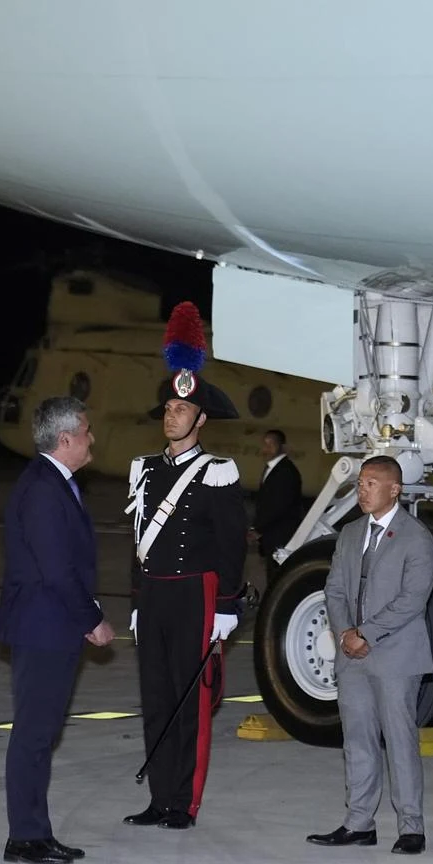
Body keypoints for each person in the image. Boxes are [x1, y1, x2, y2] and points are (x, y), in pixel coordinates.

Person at [123, 303, 246, 831]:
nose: (171, 414)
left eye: (181, 408)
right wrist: (135, 601)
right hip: (154, 595)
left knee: (190, 704)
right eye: (169, 406)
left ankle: (184, 804)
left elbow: (231, 544)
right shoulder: (143, 469)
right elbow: (137, 543)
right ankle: (158, 798)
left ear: (201, 419)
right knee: (155, 700)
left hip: (197, 593)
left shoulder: (218, 471)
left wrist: (226, 607)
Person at [0, 395, 114, 864]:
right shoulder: (45, 489)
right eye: (86, 431)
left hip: (50, 626)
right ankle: (25, 837)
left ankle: (35, 832)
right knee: (33, 735)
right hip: (44, 628)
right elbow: (56, 571)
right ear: (65, 439)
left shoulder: (54, 482)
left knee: (40, 735)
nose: (91, 438)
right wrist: (93, 619)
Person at [308, 456, 433, 855]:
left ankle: (411, 826)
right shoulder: (349, 534)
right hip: (352, 657)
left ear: (394, 489)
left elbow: (412, 601)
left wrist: (365, 632)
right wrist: (346, 632)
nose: (362, 491)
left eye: (370, 484)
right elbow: (334, 590)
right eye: (360, 483)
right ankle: (359, 822)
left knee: (400, 741)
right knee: (358, 740)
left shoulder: (416, 538)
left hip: (395, 656)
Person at [251, 429, 306, 585]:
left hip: (281, 535)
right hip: (272, 535)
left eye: (271, 444)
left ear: (282, 447)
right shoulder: (272, 469)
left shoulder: (286, 472)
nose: (266, 449)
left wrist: (258, 528)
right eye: (265, 444)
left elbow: (278, 505)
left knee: (277, 579)